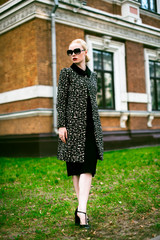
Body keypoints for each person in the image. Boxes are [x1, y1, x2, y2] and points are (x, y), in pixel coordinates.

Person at [56, 39, 104, 229]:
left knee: (88, 167)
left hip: (91, 127)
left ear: (85, 52)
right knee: (76, 169)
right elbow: (61, 101)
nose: (73, 54)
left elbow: (94, 101)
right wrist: (61, 126)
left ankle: (81, 211)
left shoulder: (94, 76)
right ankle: (81, 211)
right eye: (70, 52)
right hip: (72, 128)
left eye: (76, 50)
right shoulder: (66, 73)